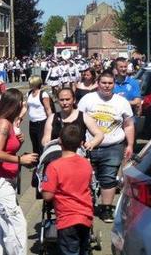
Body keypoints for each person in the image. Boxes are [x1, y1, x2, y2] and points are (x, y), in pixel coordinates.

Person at [0, 88, 38, 255]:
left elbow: (6, 150)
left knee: (1, 228)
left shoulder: (8, 123)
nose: (24, 108)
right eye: (22, 104)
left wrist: (18, 144)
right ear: (15, 105)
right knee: (16, 225)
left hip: (2, 180)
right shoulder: (4, 123)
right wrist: (21, 160)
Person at [78, 70, 135, 223]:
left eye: (110, 83)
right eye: (104, 83)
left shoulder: (121, 102)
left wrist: (129, 145)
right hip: (89, 146)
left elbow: (128, 125)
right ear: (98, 83)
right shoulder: (87, 99)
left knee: (109, 178)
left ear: (114, 84)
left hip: (113, 146)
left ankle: (106, 209)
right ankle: (85, 207)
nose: (107, 86)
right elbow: (77, 121)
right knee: (85, 178)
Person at [42, 124, 94, 255]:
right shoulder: (86, 164)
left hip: (67, 219)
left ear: (59, 141)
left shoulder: (54, 166)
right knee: (83, 250)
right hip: (85, 217)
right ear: (81, 143)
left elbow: (47, 196)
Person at [25, 75, 52, 156]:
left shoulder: (43, 94)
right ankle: (37, 164)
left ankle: (43, 163)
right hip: (32, 123)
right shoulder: (29, 93)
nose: (29, 83)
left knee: (42, 144)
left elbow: (48, 109)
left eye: (30, 82)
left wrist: (51, 122)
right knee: (35, 144)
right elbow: (26, 107)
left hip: (41, 123)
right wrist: (19, 118)